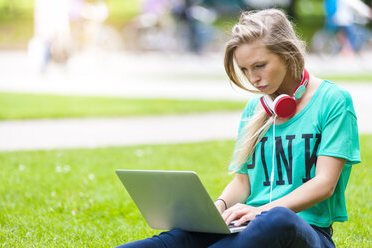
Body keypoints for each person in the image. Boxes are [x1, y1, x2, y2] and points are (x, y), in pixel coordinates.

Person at [116, 8, 361, 248]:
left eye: (259, 65)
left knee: (278, 218)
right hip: (249, 225)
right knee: (182, 236)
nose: (252, 78)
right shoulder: (256, 108)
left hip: (305, 232)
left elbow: (325, 184)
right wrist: (219, 207)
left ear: (287, 53)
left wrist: (261, 211)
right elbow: (242, 182)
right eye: (244, 69)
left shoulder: (333, 100)